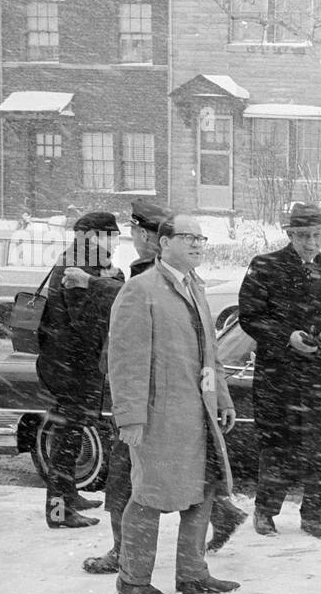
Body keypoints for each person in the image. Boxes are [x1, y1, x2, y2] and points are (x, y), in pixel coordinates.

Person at [80, 200, 248, 574]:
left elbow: (211, 356)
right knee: (148, 495)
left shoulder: (196, 288)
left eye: (202, 239)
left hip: (197, 415)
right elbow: (126, 362)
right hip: (158, 418)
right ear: (165, 242)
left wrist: (223, 397)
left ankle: (192, 574)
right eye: (189, 237)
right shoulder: (141, 290)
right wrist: (130, 419)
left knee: (202, 492)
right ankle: (134, 578)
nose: (198, 245)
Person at [239, 202, 321, 539]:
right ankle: (265, 511)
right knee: (277, 445)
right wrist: (286, 336)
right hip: (277, 377)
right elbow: (249, 316)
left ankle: (314, 516)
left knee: (318, 448)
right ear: (290, 235)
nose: (312, 243)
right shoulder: (265, 266)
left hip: (317, 377)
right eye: (304, 236)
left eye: (317, 235)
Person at [35, 212, 121, 527]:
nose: (113, 242)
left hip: (67, 364)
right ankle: (59, 513)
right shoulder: (78, 266)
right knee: (65, 438)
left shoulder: (82, 261)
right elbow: (87, 320)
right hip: (69, 368)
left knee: (68, 435)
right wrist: (113, 282)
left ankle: (68, 496)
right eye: (107, 235)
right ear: (88, 236)